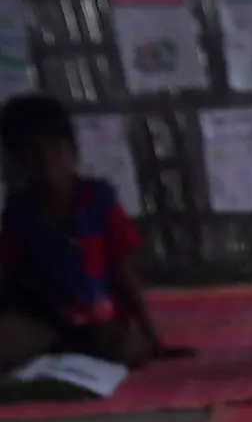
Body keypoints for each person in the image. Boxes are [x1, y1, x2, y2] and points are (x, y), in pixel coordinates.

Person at [0, 93, 184, 372]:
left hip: (98, 318)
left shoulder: (99, 201)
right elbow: (7, 273)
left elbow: (125, 273)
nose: (48, 161)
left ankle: (66, 354)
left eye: (55, 149)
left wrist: (152, 335)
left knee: (127, 349)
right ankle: (57, 352)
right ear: (19, 162)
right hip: (44, 319)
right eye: (35, 153)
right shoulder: (19, 212)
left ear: (73, 151)